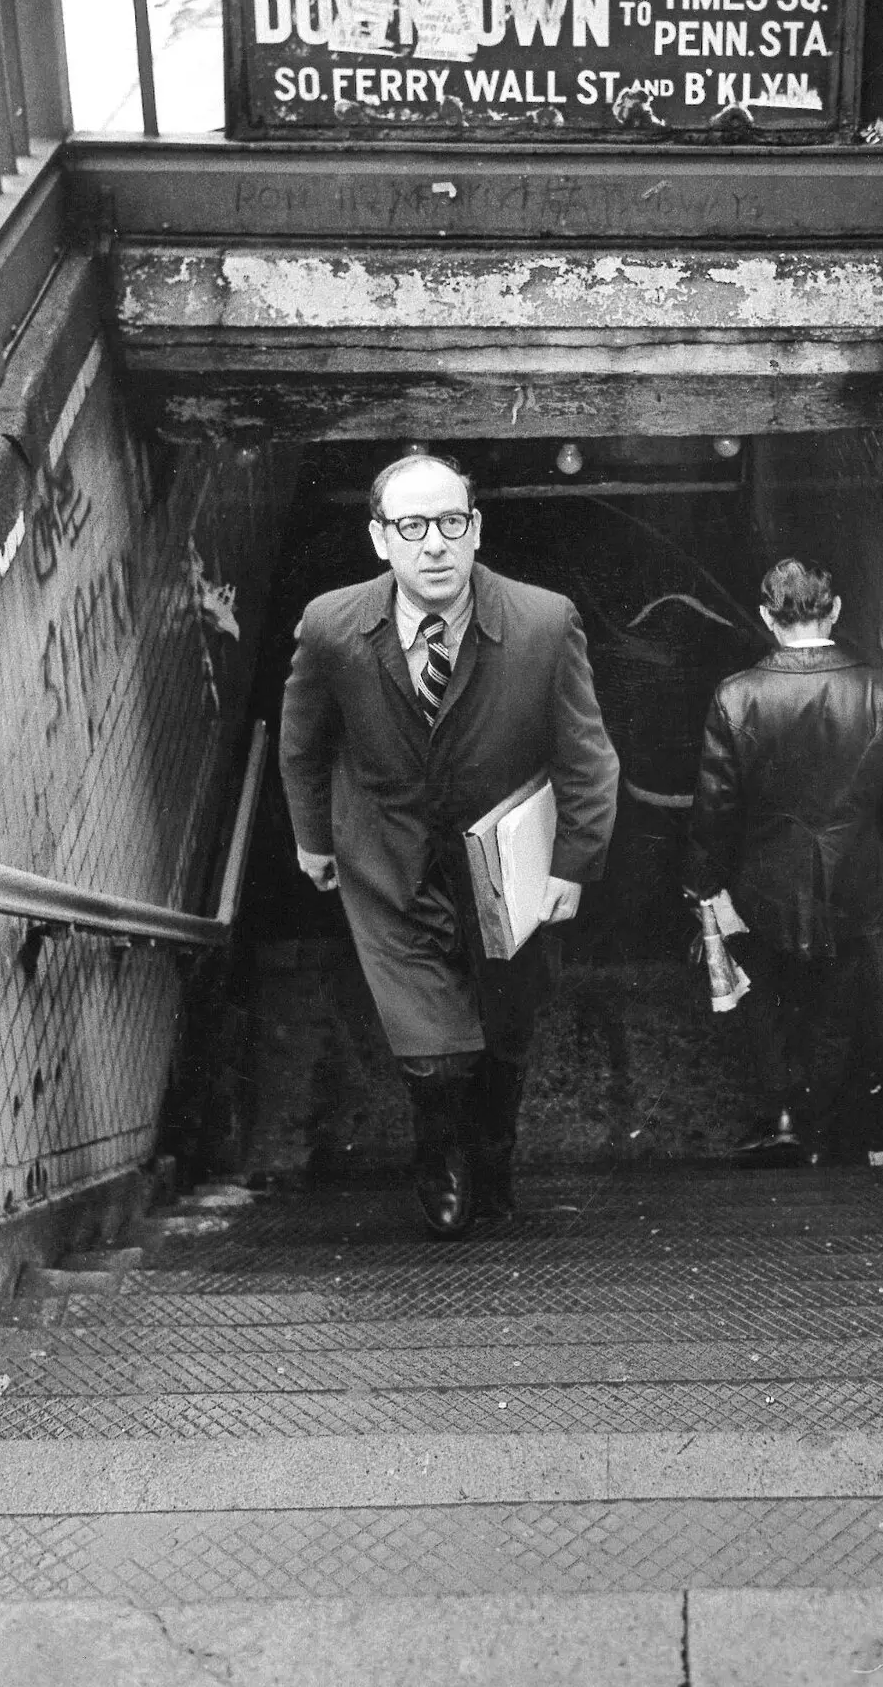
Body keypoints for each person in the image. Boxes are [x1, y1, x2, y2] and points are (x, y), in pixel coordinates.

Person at [279, 452, 619, 1239]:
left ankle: (494, 1156)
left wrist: (573, 863)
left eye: (450, 523)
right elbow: (302, 744)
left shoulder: (541, 622)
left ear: (475, 531)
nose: (433, 544)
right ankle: (441, 1153)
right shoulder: (332, 626)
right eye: (411, 527)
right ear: (379, 540)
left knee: (503, 1033)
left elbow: (586, 757)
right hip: (387, 860)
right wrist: (312, 839)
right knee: (434, 1054)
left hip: (506, 866)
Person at [685, 557, 883, 1160]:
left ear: (768, 617)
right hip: (855, 876)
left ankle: (783, 1115)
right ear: (837, 609)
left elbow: (715, 806)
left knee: (767, 997)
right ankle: (825, 1126)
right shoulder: (882, 690)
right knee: (838, 999)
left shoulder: (736, 696)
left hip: (761, 882)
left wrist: (703, 883)